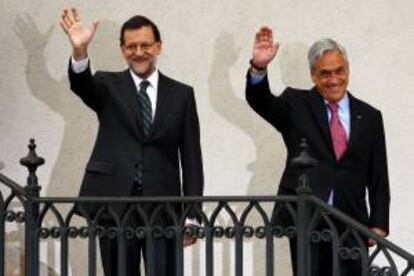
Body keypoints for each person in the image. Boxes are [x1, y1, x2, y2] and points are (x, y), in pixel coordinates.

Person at [59, 8, 203, 276]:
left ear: (158, 46)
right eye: (131, 46)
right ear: (122, 50)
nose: (139, 52)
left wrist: (192, 214)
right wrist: (79, 51)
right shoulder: (106, 84)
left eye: (145, 45)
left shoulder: (182, 95)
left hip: (163, 207)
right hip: (114, 204)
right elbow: (81, 84)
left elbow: (192, 159)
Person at [245, 26, 390, 275]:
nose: (334, 79)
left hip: (352, 222)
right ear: (313, 75)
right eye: (325, 73)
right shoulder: (296, 104)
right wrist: (258, 68)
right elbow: (261, 101)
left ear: (347, 70)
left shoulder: (370, 116)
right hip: (307, 219)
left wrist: (378, 223)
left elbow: (378, 174)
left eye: (339, 71)